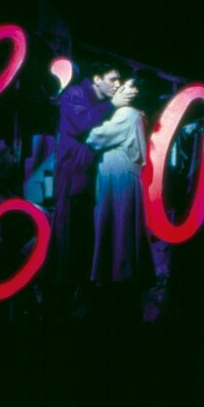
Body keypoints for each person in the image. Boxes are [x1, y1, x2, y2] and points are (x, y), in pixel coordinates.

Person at [50, 62, 134, 314]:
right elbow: (82, 123)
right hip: (74, 179)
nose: (117, 84)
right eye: (113, 78)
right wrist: (113, 106)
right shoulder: (74, 94)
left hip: (90, 179)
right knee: (71, 241)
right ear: (96, 79)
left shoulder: (96, 101)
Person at [85, 78, 156, 317]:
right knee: (122, 229)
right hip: (122, 176)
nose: (120, 87)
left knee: (117, 228)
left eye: (126, 84)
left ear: (133, 91)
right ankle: (120, 276)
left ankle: (117, 280)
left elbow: (96, 138)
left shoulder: (127, 112)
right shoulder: (135, 115)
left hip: (118, 177)